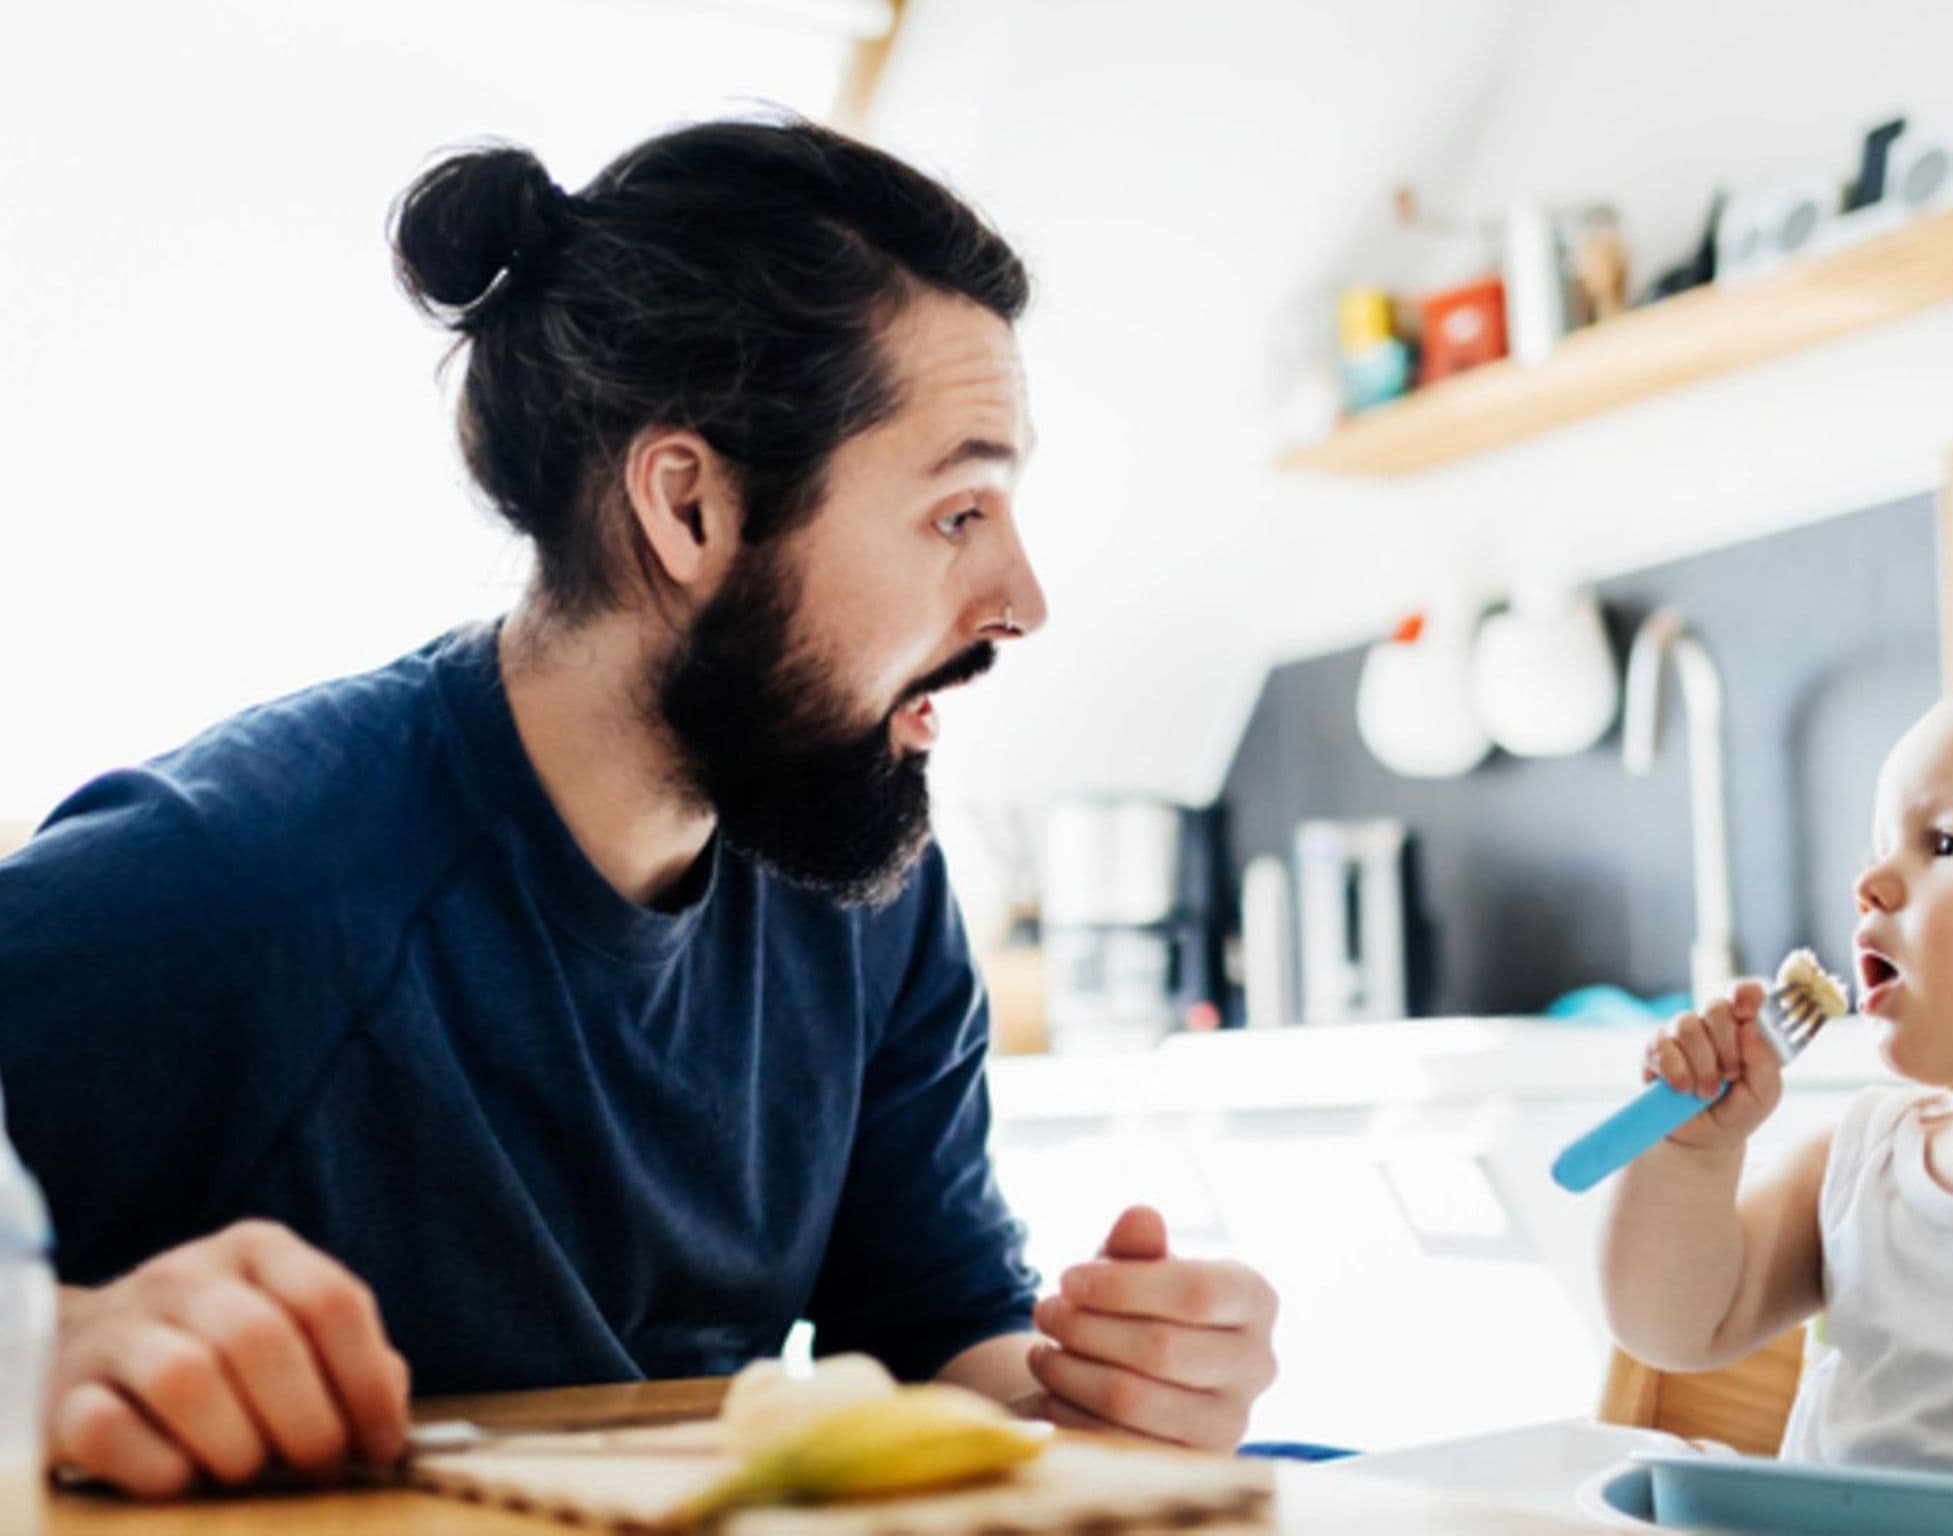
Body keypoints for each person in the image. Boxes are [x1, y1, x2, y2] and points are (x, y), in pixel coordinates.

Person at [0, 117, 1278, 1500]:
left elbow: (936, 1330)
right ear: (689, 510)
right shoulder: (242, 878)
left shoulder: (865, 883)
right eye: (958, 513)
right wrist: (45, 1343)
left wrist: (1097, 1387)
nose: (1022, 601)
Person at [1598, 665, 1953, 1477]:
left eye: (1944, 843)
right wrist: (1690, 1156)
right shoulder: (1861, 1162)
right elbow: (1673, 1328)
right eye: (1879, 849)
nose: (1868, 884)